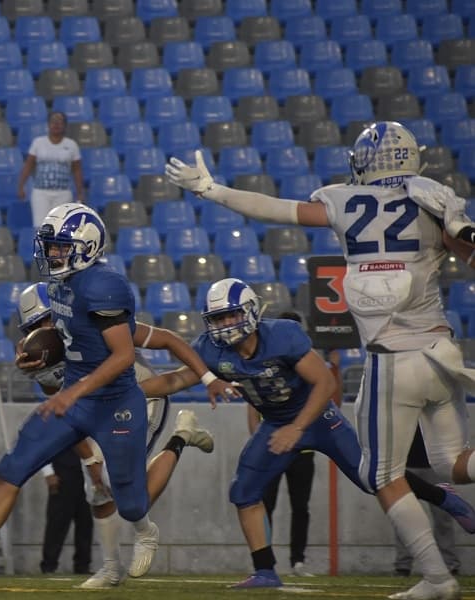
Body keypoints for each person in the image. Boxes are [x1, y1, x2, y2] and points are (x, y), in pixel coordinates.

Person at [167, 121, 475, 599]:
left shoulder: (344, 202)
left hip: (391, 361)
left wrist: (211, 189)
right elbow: (467, 249)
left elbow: (276, 210)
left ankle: (437, 578)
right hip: (442, 351)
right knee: (455, 463)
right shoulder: (431, 199)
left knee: (382, 476)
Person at [0, 204, 235, 589]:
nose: (50, 254)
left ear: (87, 246)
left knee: (129, 501)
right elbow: (72, 340)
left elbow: (122, 356)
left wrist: (204, 375)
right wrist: (43, 360)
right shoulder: (59, 286)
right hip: (76, 400)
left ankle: (147, 528)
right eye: (49, 246)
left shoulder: (104, 287)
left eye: (59, 247)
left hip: (117, 404)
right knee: (13, 468)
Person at [141, 278, 475, 591]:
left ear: (251, 311)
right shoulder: (212, 351)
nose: (225, 324)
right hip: (276, 422)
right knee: (243, 491)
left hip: (317, 418)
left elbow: (326, 384)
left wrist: (297, 427)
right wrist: (131, 392)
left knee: (373, 479)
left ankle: (442, 497)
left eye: (230, 315)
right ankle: (265, 570)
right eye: (218, 318)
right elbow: (175, 381)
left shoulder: (282, 335)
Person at [16, 280, 227, 588]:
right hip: (100, 410)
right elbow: (68, 414)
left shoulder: (93, 322)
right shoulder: (45, 359)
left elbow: (164, 343)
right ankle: (112, 568)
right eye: (37, 325)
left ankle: (180, 437)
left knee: (123, 490)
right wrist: (90, 462)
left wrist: (205, 377)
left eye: (49, 319)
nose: (46, 329)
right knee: (97, 492)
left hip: (141, 399)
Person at [247, 311, 317, 578]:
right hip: (273, 447)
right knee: (266, 505)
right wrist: (263, 441)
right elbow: (253, 409)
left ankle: (298, 561)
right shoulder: (269, 364)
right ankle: (266, 561)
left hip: (303, 448)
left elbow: (321, 395)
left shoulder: (308, 366)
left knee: (301, 506)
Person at [394, 427, 460, 578]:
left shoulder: (435, 405)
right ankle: (402, 566)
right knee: (404, 517)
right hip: (406, 467)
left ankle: (450, 564)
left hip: (436, 468)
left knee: (443, 518)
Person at [17, 111, 85, 227]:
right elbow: (29, 165)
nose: (56, 124)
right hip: (41, 193)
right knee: (41, 227)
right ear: (48, 124)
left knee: (59, 228)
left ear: (64, 125)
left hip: (63, 193)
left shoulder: (72, 145)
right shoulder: (38, 143)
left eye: (60, 122)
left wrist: (80, 193)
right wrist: (21, 186)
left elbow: (77, 170)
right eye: (53, 122)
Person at [39, 447, 92, 575]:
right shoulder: (53, 426)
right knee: (56, 523)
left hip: (83, 476)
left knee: (85, 523)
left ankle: (82, 566)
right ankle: (49, 565)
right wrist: (48, 473)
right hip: (61, 475)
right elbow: (44, 447)